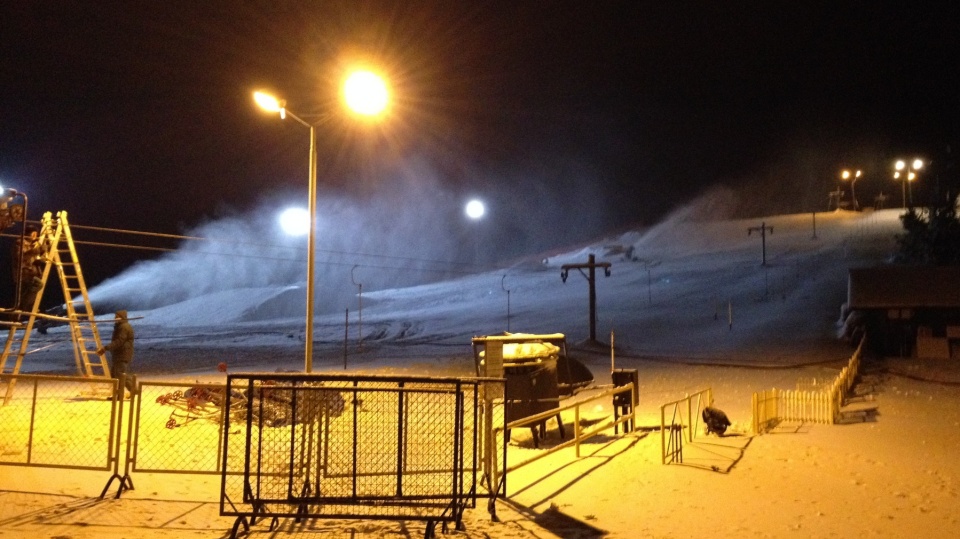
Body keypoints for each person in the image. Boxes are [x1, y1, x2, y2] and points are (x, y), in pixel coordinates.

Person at [98, 310, 135, 399]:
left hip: (122, 354)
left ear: (121, 317)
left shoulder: (124, 327)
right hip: (118, 354)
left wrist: (106, 348)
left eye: (116, 316)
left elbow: (119, 341)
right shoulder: (120, 326)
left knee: (121, 374)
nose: (115, 318)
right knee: (115, 374)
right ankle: (119, 394)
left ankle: (132, 390)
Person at [10, 225, 45, 316]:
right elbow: (20, 257)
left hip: (31, 273)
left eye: (36, 234)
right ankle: (26, 308)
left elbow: (38, 255)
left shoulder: (33, 244)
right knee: (37, 285)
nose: (35, 236)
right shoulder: (20, 242)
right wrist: (34, 251)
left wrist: (41, 250)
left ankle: (18, 313)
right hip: (23, 273)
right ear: (29, 233)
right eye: (33, 233)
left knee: (23, 295)